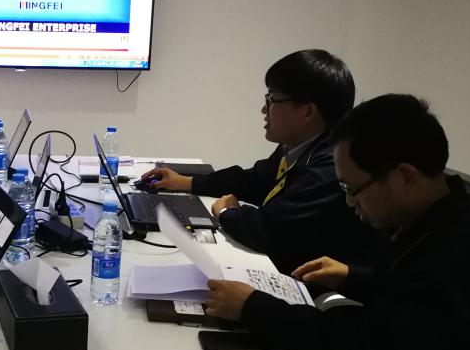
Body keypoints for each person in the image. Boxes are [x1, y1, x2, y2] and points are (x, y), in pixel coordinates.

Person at [205, 94, 470, 350]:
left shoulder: (456, 253)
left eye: (351, 189)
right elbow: (408, 296)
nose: (348, 202)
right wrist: (353, 276)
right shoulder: (442, 215)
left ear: (404, 176)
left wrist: (252, 307)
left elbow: (372, 349)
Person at [142, 49, 375, 273]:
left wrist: (227, 213)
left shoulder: (329, 166)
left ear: (307, 112)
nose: (264, 109)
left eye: (272, 99)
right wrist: (186, 182)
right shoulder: (300, 145)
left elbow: (271, 231)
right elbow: (253, 180)